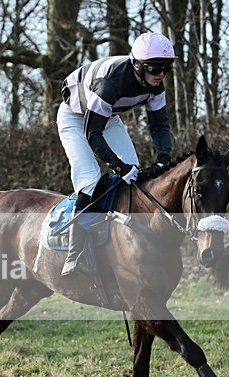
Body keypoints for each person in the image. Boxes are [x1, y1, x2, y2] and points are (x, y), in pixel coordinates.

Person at [57, 32, 175, 276]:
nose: (160, 74)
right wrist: (118, 167)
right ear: (137, 65)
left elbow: (160, 125)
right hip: (75, 118)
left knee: (135, 176)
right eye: (154, 68)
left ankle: (120, 243)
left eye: (166, 68)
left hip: (106, 117)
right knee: (90, 179)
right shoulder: (110, 83)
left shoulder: (156, 85)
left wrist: (163, 158)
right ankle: (74, 251)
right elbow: (92, 134)